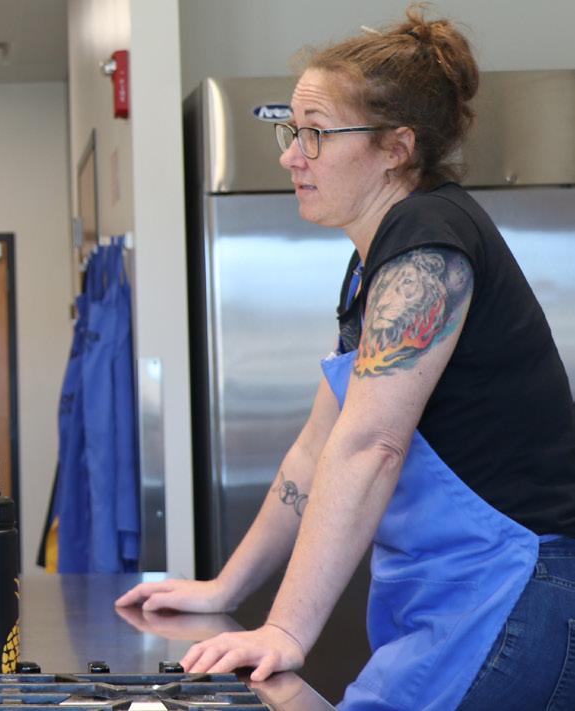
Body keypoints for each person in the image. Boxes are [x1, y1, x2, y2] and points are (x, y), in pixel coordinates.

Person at [117, 8, 575, 710]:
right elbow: (314, 450)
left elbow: (369, 445)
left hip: (509, 593)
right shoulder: (373, 264)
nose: (290, 156)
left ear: (396, 147)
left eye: (316, 133)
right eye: (290, 130)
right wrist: (224, 588)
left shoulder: (427, 241)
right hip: (452, 597)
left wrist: (284, 630)